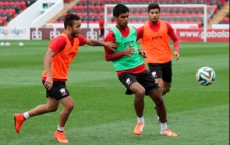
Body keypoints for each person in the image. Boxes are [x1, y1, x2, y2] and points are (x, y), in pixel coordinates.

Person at [14, 13, 117, 144]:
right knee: (69, 105)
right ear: (69, 27)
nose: (80, 29)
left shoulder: (76, 38)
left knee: (51, 107)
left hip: (59, 78)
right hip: (53, 79)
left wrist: (105, 44)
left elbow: (90, 41)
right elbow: (47, 56)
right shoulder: (61, 40)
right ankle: (59, 132)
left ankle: (22, 117)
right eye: (78, 26)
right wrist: (50, 78)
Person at [104, 4, 177, 137]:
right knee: (140, 91)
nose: (126, 19)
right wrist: (123, 53)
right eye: (123, 17)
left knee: (159, 99)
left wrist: (140, 52)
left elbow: (132, 46)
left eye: (127, 16)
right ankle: (140, 122)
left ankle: (164, 129)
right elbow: (108, 57)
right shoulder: (111, 36)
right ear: (115, 18)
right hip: (124, 71)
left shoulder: (133, 30)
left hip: (141, 68)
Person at [137, 3, 180, 96]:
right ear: (148, 14)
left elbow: (176, 40)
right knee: (159, 85)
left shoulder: (166, 26)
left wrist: (176, 50)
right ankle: (158, 104)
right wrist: (139, 51)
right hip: (153, 62)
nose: (154, 15)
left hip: (167, 60)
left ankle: (156, 98)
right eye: (152, 13)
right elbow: (130, 42)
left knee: (167, 88)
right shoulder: (142, 29)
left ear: (159, 13)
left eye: (156, 12)